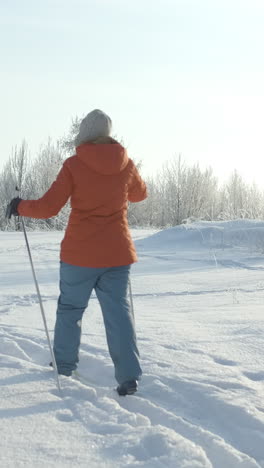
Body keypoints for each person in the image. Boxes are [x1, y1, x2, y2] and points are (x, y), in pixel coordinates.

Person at [7, 109, 147, 396]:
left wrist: (20, 205)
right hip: (117, 254)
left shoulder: (74, 164)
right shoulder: (127, 163)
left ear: (84, 134)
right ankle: (129, 377)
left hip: (79, 255)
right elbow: (139, 194)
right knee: (118, 313)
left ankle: (65, 366)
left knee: (70, 310)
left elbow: (49, 208)